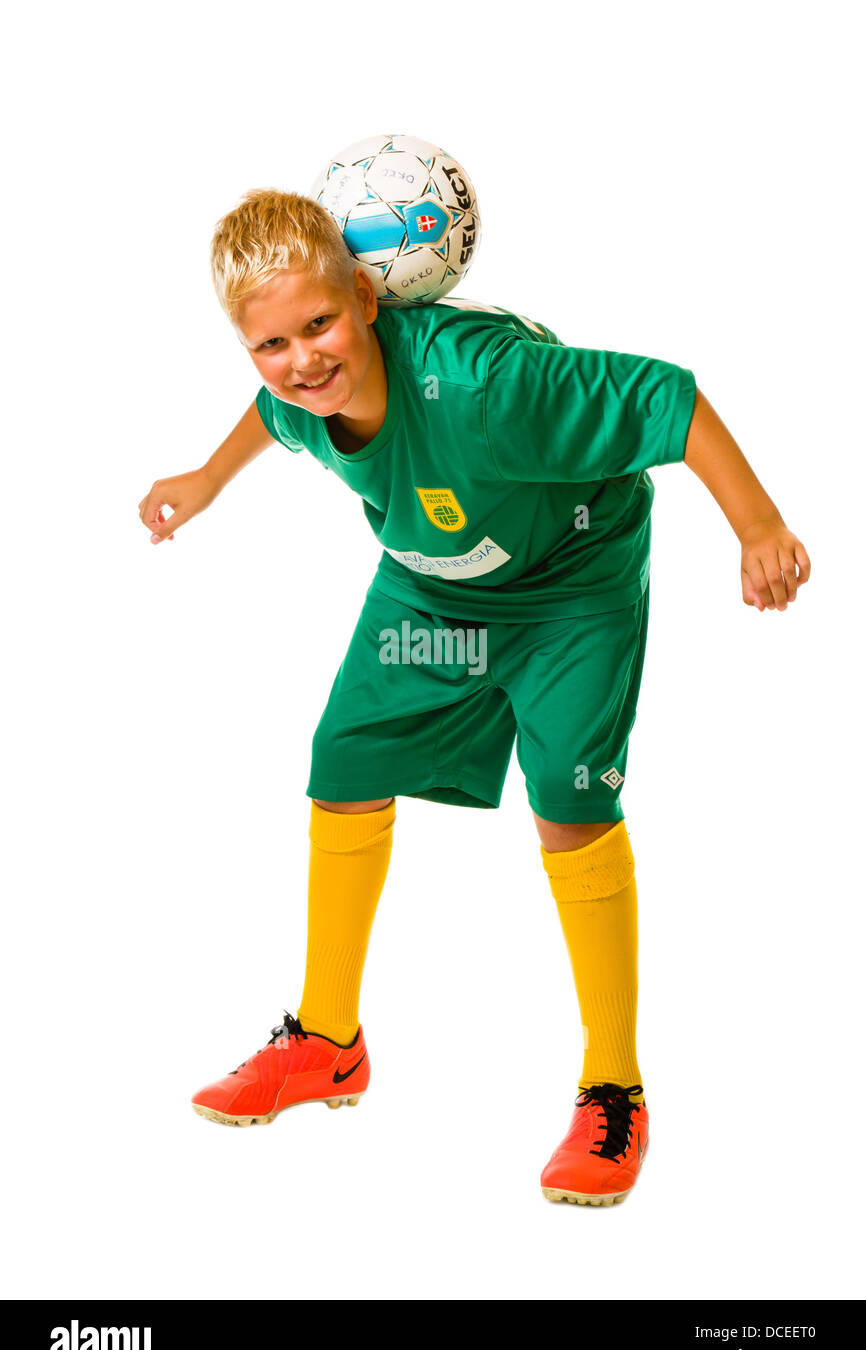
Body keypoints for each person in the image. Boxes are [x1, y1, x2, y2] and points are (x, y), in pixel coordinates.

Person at [138, 189, 811, 1206]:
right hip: (433, 587)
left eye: (318, 324)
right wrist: (203, 477)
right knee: (345, 762)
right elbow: (276, 417)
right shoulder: (294, 392)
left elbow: (665, 396)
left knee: (568, 802)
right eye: (269, 342)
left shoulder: (486, 381)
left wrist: (757, 525)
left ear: (366, 296)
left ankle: (612, 1087)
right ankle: (326, 1039)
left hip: (567, 585)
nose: (301, 358)